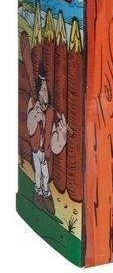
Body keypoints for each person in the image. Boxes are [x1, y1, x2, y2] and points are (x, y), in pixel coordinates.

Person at [26, 66, 67, 214]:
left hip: (45, 153)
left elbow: (54, 141)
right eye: (42, 90)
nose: (44, 94)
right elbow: (30, 129)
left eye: (46, 91)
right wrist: (33, 118)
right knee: (38, 173)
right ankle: (38, 192)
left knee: (46, 175)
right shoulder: (34, 105)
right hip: (36, 150)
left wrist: (61, 138)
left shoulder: (50, 113)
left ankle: (46, 193)